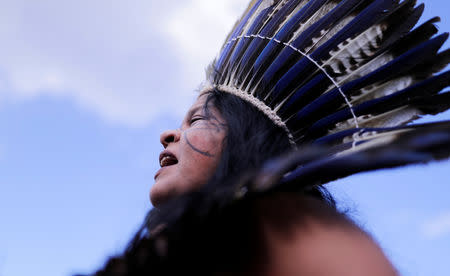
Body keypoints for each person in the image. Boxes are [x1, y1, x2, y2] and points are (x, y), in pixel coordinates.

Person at [87, 0, 450, 275]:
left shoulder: (304, 232)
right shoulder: (160, 245)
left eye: (196, 119)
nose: (168, 135)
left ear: (247, 138)